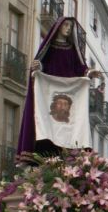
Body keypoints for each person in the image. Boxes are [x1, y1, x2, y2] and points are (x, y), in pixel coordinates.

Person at [17, 17, 101, 156]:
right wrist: (38, 67)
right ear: (58, 27)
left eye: (70, 26)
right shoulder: (48, 47)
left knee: (67, 123)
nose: (68, 28)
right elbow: (40, 66)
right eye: (66, 25)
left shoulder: (73, 50)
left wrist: (90, 72)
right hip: (50, 90)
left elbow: (80, 68)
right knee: (48, 122)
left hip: (69, 91)